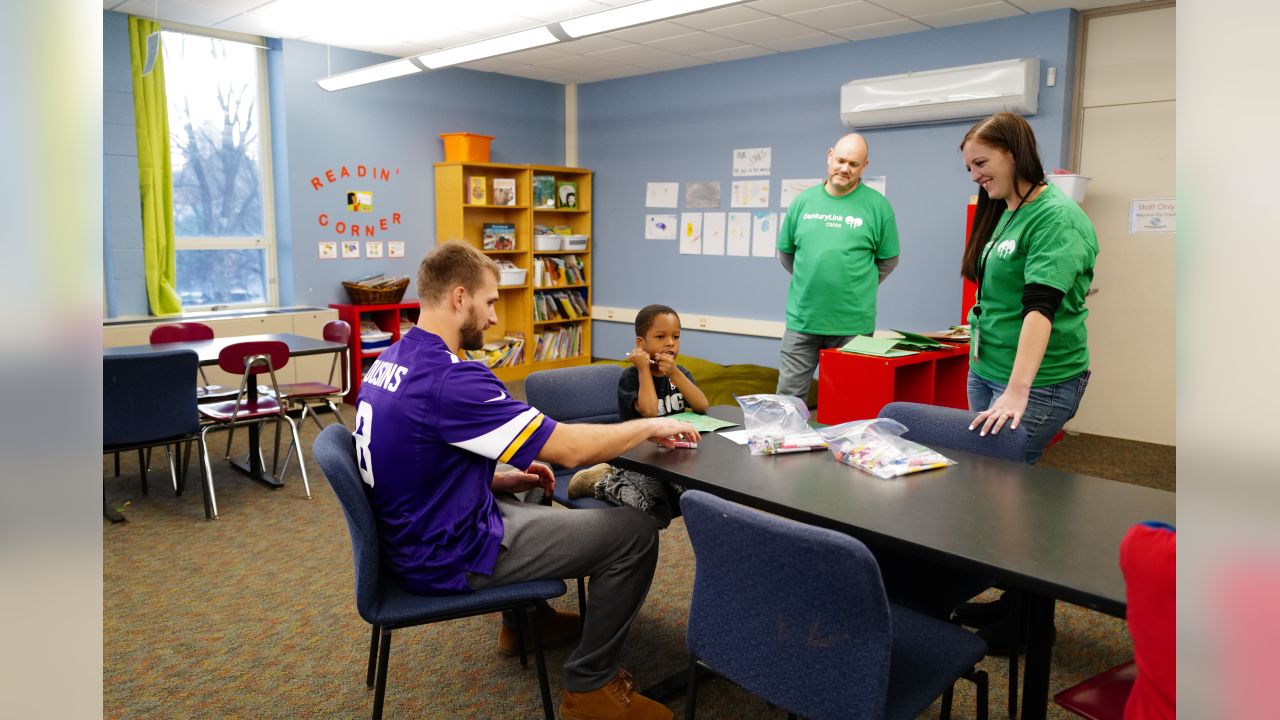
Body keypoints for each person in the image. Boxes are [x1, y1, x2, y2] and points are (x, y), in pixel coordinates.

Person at [356, 241, 698, 720]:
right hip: (447, 552)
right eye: (491, 301)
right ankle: (591, 688)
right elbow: (571, 450)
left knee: (534, 479)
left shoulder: (392, 359)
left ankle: (527, 623)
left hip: (411, 533)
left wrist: (498, 481)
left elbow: (410, 461)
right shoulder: (452, 380)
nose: (495, 318)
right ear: (459, 298)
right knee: (635, 534)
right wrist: (651, 425)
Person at [952, 111, 1099, 652]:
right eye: (969, 167)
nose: (975, 176)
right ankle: (1015, 600)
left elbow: (1040, 307)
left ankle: (1033, 623)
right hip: (989, 370)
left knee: (1012, 495)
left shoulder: (1055, 217)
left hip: (1038, 383)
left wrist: (1017, 392)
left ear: (1014, 152)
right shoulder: (1007, 210)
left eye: (982, 163)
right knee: (999, 492)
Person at [776, 133, 900, 402]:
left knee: (848, 404)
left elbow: (888, 260)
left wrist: (858, 283)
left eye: (853, 164)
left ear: (864, 166)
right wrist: (810, 277)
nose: (845, 168)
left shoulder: (878, 207)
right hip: (802, 320)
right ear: (830, 155)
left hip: (852, 325)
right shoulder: (803, 202)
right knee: (788, 403)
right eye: (841, 160)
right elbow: (787, 254)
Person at [568, 305, 710, 528]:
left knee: (696, 495)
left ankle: (623, 479)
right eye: (661, 337)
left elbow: (702, 405)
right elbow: (650, 412)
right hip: (639, 461)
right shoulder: (631, 376)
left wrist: (674, 372)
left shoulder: (680, 373)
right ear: (641, 344)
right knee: (655, 511)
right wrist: (644, 370)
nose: (670, 343)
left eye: (676, 337)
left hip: (674, 460)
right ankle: (601, 483)